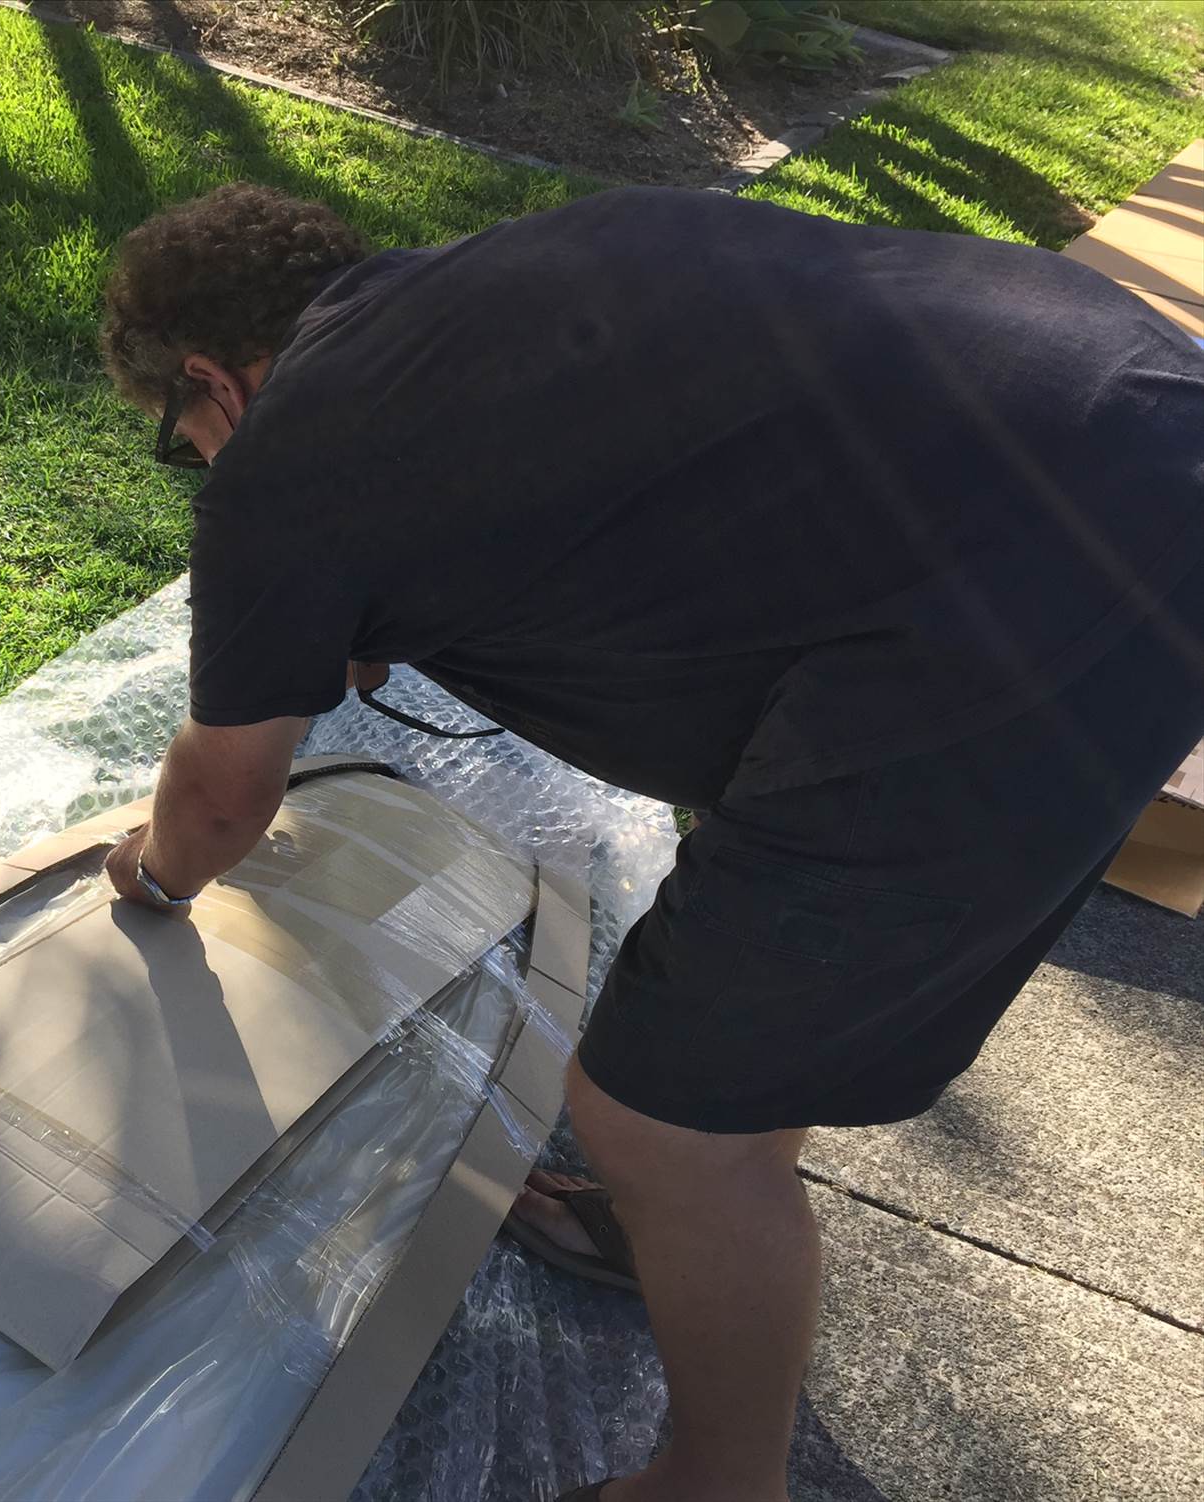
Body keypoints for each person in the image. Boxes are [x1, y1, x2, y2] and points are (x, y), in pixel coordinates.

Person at [96, 182, 1204, 1502]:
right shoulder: (503, 273)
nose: (202, 466)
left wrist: (157, 871)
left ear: (213, 380)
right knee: (726, 1052)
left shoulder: (290, 457)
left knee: (656, 1118)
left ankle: (715, 1479)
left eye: (184, 443)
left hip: (1043, 577)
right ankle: (695, 1220)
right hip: (1137, 406)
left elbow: (225, 799)